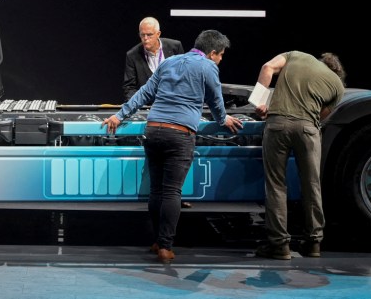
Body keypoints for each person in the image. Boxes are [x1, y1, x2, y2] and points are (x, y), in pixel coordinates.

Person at [104, 30, 244, 263]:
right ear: (212, 53)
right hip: (179, 133)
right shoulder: (208, 67)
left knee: (156, 190)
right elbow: (216, 100)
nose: (220, 60)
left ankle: (158, 241)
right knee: (171, 191)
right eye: (220, 55)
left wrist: (120, 115)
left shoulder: (169, 62)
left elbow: (144, 93)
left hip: (153, 130)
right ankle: (165, 247)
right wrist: (223, 119)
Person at [253, 51, 346, 261]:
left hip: (278, 125)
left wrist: (259, 103)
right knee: (312, 185)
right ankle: (313, 243)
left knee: (276, 185)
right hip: (308, 131)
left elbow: (267, 67)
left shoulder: (295, 56)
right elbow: (321, 116)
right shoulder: (338, 86)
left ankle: (279, 245)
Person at [123, 17, 184, 102]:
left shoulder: (175, 47)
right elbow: (129, 87)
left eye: (149, 35)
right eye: (142, 35)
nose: (145, 38)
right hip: (147, 105)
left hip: (173, 102)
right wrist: (137, 104)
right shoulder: (132, 55)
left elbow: (183, 77)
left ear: (158, 34)